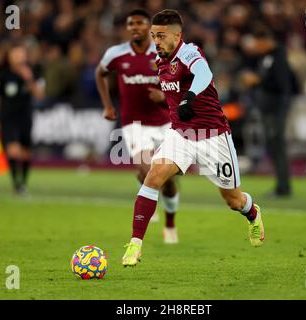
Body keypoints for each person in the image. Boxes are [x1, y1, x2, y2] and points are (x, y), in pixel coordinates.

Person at [122, 9, 265, 267]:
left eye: (162, 36)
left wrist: (190, 97)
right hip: (182, 135)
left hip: (214, 137)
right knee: (153, 176)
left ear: (178, 36)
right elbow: (173, 97)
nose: (156, 41)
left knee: (233, 200)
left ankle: (253, 214)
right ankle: (135, 244)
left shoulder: (189, 52)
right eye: (153, 35)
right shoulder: (160, 60)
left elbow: (204, 75)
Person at [95, 9, 180, 244]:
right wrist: (107, 106)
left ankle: (170, 223)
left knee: (169, 179)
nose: (134, 27)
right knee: (149, 170)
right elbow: (99, 73)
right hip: (135, 125)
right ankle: (144, 182)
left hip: (165, 124)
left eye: (139, 23)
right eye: (130, 24)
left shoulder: (163, 51)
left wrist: (164, 96)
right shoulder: (117, 53)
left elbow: (182, 80)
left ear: (149, 28)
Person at [241, 24, 292, 198]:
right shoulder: (266, 57)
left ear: (265, 41)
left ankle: (284, 187)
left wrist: (257, 81)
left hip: (276, 108)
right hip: (267, 107)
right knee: (273, 146)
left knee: (278, 145)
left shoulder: (278, 57)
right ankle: (281, 185)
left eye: (258, 43)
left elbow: (281, 85)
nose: (256, 46)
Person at [0, 44, 44, 195]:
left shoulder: (33, 73)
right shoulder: (2, 76)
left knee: (26, 152)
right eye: (15, 54)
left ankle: (23, 183)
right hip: (7, 118)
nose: (19, 57)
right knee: (13, 150)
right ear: (9, 57)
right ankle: (16, 184)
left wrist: (29, 79)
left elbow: (39, 95)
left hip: (25, 117)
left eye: (21, 54)